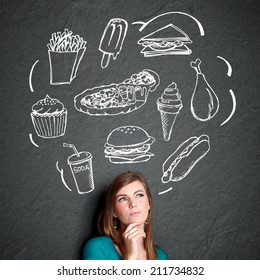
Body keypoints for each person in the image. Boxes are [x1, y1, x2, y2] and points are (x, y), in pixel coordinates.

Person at [83, 171, 169, 260]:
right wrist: (130, 256)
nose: (133, 203)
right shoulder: (98, 247)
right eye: (122, 199)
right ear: (113, 211)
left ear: (149, 204)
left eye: (139, 195)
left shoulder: (161, 256)